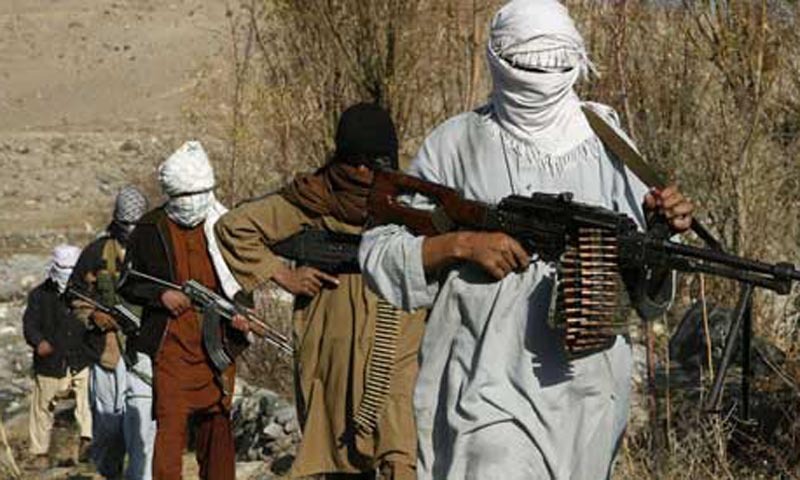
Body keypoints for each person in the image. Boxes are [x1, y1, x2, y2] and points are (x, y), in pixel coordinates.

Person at [358, 2, 695, 479]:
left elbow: (645, 292)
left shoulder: (610, 145)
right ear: (497, 60)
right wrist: (462, 246)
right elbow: (379, 252)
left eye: (555, 62)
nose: (541, 76)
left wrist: (664, 234)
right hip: (485, 383)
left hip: (588, 389)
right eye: (527, 63)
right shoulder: (457, 142)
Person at [215, 103, 425, 479]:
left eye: (374, 163)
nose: (363, 173)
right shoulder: (313, 198)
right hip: (331, 329)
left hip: (396, 323)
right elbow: (234, 227)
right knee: (336, 438)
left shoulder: (410, 200)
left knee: (398, 437)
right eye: (354, 162)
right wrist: (282, 274)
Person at [118, 141, 249, 480]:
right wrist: (160, 294)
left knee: (218, 433)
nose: (191, 205)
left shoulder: (225, 226)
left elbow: (242, 280)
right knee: (170, 431)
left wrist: (241, 315)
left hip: (216, 349)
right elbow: (128, 283)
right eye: (184, 196)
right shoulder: (150, 229)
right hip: (171, 350)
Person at [69, 185, 156, 480]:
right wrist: (94, 315)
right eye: (126, 225)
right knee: (107, 429)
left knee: (143, 430)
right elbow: (74, 296)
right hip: (106, 354)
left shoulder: (157, 251)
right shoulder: (96, 253)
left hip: (144, 354)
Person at [23, 244, 93, 469]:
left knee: (87, 400)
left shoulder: (86, 292)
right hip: (51, 362)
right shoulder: (39, 296)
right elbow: (29, 324)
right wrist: (39, 342)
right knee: (42, 407)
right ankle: (40, 454)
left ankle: (87, 442)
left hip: (80, 358)